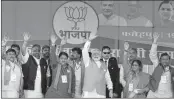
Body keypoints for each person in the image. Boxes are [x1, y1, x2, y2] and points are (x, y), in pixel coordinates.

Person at [45, 34, 75, 98]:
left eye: (65, 58)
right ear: (59, 59)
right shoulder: (55, 66)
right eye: (62, 58)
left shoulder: (70, 69)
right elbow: (53, 56)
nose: (63, 60)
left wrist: (73, 92)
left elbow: (73, 81)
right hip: (54, 94)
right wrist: (53, 44)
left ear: (67, 59)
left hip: (66, 95)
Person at [146, 33, 174, 98]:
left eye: (166, 59)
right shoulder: (157, 65)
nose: (165, 61)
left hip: (167, 95)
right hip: (154, 94)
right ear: (160, 60)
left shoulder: (172, 70)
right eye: (163, 59)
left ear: (169, 60)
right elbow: (153, 55)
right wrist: (155, 41)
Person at [21, 33, 47, 98]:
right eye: (34, 50)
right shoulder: (28, 58)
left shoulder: (43, 61)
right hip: (30, 90)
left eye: (38, 50)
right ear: (31, 51)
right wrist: (25, 42)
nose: (37, 52)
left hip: (41, 90)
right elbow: (23, 51)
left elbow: (46, 75)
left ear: (41, 51)